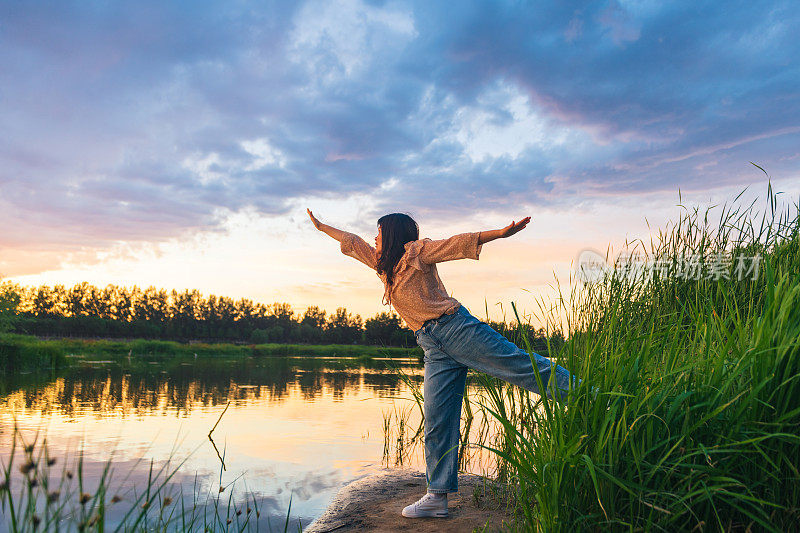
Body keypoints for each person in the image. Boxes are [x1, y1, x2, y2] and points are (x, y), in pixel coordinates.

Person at [306, 209, 579, 519]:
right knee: (437, 420)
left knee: (519, 366)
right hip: (433, 347)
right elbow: (351, 241)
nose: (374, 238)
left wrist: (500, 234)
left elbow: (455, 243)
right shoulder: (382, 266)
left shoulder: (417, 252)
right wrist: (320, 226)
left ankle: (588, 397)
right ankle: (437, 496)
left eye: (379, 233)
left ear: (393, 235)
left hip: (457, 330)